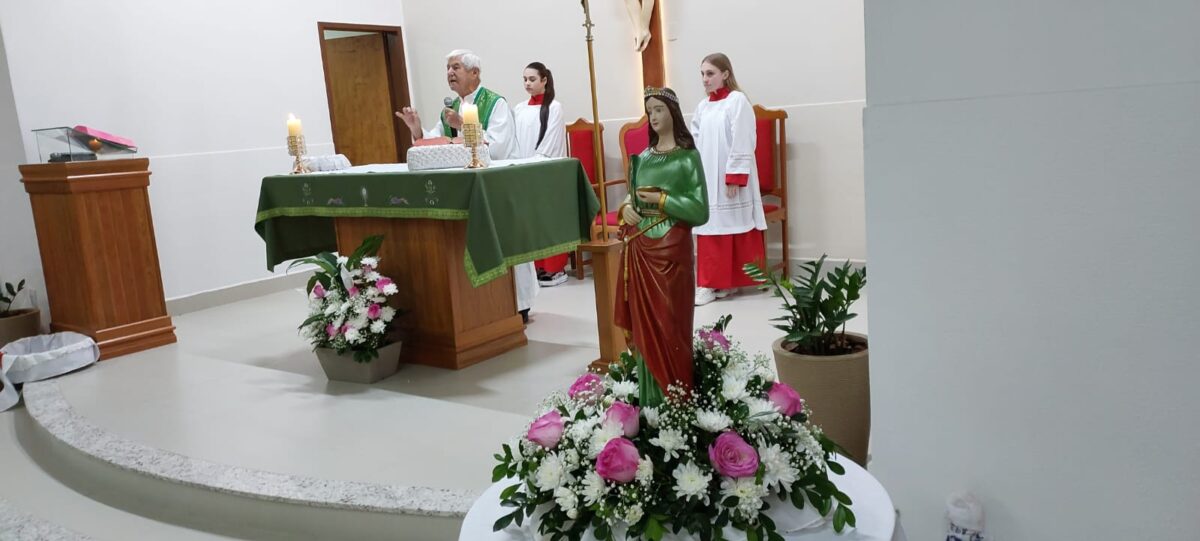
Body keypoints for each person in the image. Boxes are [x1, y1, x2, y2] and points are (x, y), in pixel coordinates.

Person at [614, 87, 709, 404]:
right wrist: (625, 208)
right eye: (649, 110)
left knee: (671, 327)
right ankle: (650, 403)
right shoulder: (642, 159)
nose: (653, 117)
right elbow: (632, 197)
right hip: (642, 247)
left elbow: (700, 210)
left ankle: (676, 400)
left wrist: (662, 199)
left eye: (658, 110)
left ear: (673, 113)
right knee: (645, 330)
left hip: (672, 252)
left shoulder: (687, 158)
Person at [690, 53, 767, 306]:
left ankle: (716, 284)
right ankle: (716, 283)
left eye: (710, 73)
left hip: (731, 177)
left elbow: (743, 137)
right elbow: (695, 139)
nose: (705, 79)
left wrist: (734, 176)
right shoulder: (703, 106)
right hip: (708, 176)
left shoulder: (737, 101)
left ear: (725, 74)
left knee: (731, 223)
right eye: (702, 74)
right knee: (710, 225)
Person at [395, 49, 515, 160]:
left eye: (456, 67)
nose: (449, 72)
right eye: (448, 68)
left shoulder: (496, 104)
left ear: (474, 72)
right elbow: (436, 143)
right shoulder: (452, 107)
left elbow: (498, 150)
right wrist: (417, 130)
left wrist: (462, 125)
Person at [512, 62, 570, 288]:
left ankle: (554, 268)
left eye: (532, 79)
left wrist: (535, 165)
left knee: (548, 220)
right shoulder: (519, 109)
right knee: (529, 221)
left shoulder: (554, 107)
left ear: (544, 79)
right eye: (524, 79)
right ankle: (535, 266)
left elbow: (551, 141)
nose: (527, 83)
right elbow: (515, 140)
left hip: (546, 172)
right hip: (524, 171)